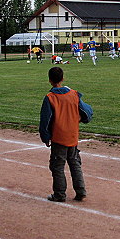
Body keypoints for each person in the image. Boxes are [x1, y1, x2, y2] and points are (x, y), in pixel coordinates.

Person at [39, 67, 93, 202]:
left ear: (50, 80)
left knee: (57, 166)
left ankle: (59, 194)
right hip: (73, 136)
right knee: (75, 164)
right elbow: (87, 111)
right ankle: (81, 191)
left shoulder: (50, 98)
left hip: (59, 137)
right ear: (63, 78)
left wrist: (45, 137)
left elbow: (45, 120)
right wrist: (82, 118)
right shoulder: (74, 94)